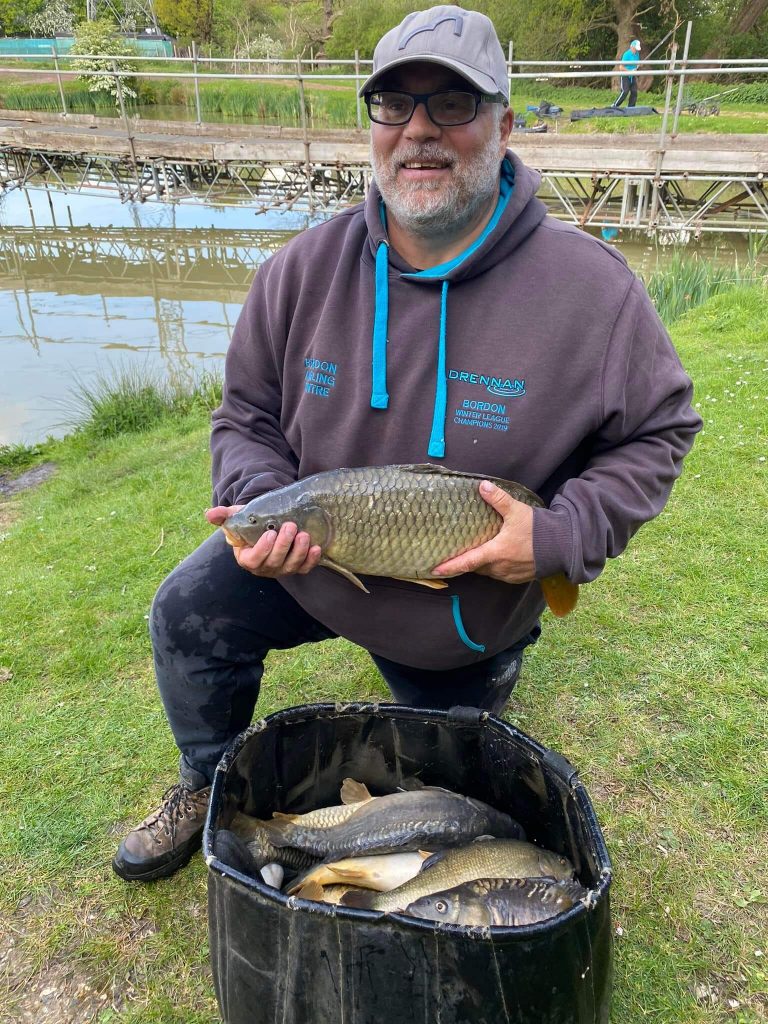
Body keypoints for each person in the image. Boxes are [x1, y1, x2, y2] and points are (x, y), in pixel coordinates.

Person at [112, 5, 701, 883]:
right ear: (373, 127)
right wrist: (261, 496)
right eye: (394, 104)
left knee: (439, 813)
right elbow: (245, 415)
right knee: (185, 614)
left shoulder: (593, 293)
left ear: (505, 125)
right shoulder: (298, 271)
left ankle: (459, 705)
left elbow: (662, 430)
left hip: (463, 614)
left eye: (452, 104)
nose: (419, 130)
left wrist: (558, 540)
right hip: (315, 557)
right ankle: (207, 780)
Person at [613, 39, 642, 108]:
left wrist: (638, 66)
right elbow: (621, 67)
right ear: (632, 47)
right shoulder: (627, 54)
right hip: (625, 76)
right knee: (625, 92)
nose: (636, 50)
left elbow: (636, 64)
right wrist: (630, 71)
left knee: (634, 92)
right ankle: (615, 105)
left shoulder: (637, 54)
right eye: (635, 49)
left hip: (633, 76)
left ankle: (631, 107)